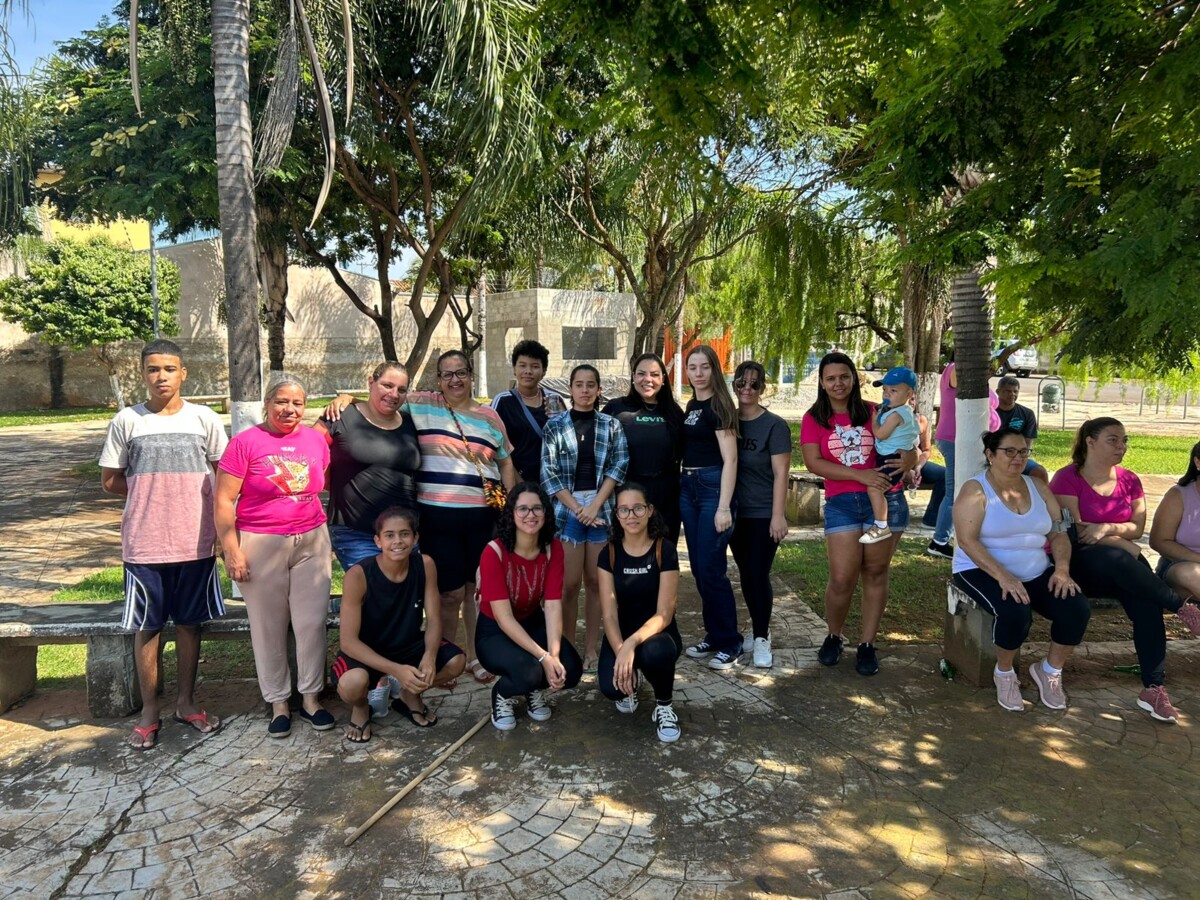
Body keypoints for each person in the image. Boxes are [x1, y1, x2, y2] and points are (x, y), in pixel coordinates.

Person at [98, 339, 228, 750]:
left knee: (190, 624)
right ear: (143, 374)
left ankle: (186, 703)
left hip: (196, 542)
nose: (161, 376)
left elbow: (224, 475)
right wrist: (149, 493)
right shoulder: (127, 421)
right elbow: (110, 480)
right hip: (145, 544)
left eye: (169, 369)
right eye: (153, 369)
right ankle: (150, 710)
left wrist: (219, 529)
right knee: (148, 626)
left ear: (183, 373)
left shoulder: (204, 419)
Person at [1053, 420, 1200, 723]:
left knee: (1147, 606)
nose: (1122, 447)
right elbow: (1077, 532)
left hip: (1126, 566)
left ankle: (1154, 688)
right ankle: (1180, 606)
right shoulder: (1068, 478)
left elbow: (1137, 528)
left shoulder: (1130, 480)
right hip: (1084, 565)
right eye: (1113, 440)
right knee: (1118, 559)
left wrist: (1107, 529)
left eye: (1125, 440)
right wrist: (1122, 542)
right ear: (1090, 441)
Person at [215, 375, 335, 738]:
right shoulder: (245, 443)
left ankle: (311, 699)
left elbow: (318, 484)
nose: (289, 410)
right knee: (268, 626)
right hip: (260, 542)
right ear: (267, 404)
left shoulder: (315, 440)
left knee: (311, 623)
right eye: (281, 402)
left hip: (311, 540)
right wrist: (231, 550)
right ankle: (279, 703)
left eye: (298, 403)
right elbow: (223, 500)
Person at [392, 351, 517, 685]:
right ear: (438, 379)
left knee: (477, 590)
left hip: (482, 518)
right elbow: (384, 403)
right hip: (436, 518)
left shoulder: (490, 417)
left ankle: (476, 655)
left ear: (471, 375)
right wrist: (347, 401)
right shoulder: (420, 404)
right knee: (448, 593)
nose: (455, 380)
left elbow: (505, 461)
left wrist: (511, 508)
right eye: (447, 374)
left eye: (461, 372)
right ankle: (447, 657)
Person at [953, 427, 1090, 712]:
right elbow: (967, 540)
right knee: (1015, 612)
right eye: (1009, 451)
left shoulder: (1038, 486)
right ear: (990, 455)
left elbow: (1058, 532)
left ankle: (1050, 670)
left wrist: (1061, 569)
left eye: (1024, 452)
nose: (1018, 457)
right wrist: (1004, 576)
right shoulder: (975, 490)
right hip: (980, 568)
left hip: (1035, 568)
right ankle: (1004, 673)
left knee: (1075, 608)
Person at [800, 351, 914, 676]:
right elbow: (813, 463)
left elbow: (911, 441)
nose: (838, 383)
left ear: (854, 378)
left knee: (875, 573)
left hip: (887, 501)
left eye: (844, 376)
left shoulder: (876, 411)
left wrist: (911, 457)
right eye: (831, 378)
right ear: (822, 382)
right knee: (841, 578)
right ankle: (834, 636)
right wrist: (859, 475)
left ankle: (867, 644)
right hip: (843, 504)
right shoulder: (814, 418)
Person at [332, 507, 466, 742]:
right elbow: (348, 642)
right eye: (389, 535)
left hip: (407, 644)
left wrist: (429, 657)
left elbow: (434, 619)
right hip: (367, 651)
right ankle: (361, 707)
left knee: (456, 662)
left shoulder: (425, 564)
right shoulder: (358, 575)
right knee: (353, 685)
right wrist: (396, 670)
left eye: (404, 534)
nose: (397, 541)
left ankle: (409, 694)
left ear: (415, 538)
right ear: (378, 541)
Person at [540, 364, 629, 670]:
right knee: (568, 585)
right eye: (579, 384)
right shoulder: (555, 426)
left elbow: (619, 466)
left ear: (599, 389)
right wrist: (579, 509)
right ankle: (567, 647)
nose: (585, 390)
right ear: (570, 389)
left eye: (591, 384)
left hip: (601, 509)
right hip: (567, 511)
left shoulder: (611, 425)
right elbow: (548, 473)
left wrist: (594, 506)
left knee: (595, 582)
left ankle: (591, 647)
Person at [475, 483, 584, 731]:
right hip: (495, 630)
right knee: (530, 672)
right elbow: (504, 618)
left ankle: (533, 688)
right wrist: (543, 658)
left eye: (537, 508)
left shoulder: (553, 547)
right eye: (522, 509)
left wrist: (553, 655)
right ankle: (503, 693)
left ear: (545, 513)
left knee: (570, 669)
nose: (530, 515)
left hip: (533, 621)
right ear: (511, 513)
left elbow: (553, 605)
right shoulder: (494, 552)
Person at [597, 484, 683, 742]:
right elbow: (609, 614)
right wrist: (621, 650)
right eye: (624, 510)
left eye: (637, 508)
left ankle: (664, 706)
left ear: (649, 510)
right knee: (611, 689)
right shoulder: (608, 553)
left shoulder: (664, 550)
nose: (631, 515)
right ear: (617, 515)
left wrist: (631, 645)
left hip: (657, 635)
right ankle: (632, 676)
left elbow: (664, 614)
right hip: (620, 634)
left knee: (655, 653)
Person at [316, 361, 420, 572]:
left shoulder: (411, 422)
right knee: (372, 589)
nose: (394, 394)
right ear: (371, 382)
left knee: (405, 591)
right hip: (355, 532)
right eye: (387, 385)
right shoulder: (340, 416)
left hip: (403, 532)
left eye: (401, 390)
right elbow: (304, 450)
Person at [679, 345, 742, 670]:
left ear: (714, 369)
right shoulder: (692, 405)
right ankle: (714, 634)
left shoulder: (719, 405)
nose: (698, 373)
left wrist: (723, 507)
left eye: (704, 366)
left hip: (712, 489)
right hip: (688, 487)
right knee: (699, 568)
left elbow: (731, 459)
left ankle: (731, 641)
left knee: (712, 569)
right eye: (693, 367)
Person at [729, 360, 791, 668]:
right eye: (742, 383)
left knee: (757, 573)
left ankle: (762, 636)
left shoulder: (774, 426)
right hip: (735, 513)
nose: (747, 389)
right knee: (746, 574)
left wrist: (778, 515)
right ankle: (757, 628)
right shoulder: (728, 421)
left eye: (754, 384)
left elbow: (781, 474)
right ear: (734, 385)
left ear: (763, 388)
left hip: (763, 513)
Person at [602, 353, 684, 542]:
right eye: (641, 374)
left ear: (663, 379)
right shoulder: (616, 409)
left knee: (663, 553)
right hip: (627, 498)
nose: (648, 379)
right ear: (633, 377)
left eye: (654, 374)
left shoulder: (674, 413)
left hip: (666, 499)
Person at [491, 339, 568, 483]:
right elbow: (495, 445)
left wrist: (565, 419)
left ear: (543, 371)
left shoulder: (554, 400)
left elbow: (567, 442)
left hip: (554, 482)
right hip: (516, 482)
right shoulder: (503, 401)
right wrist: (520, 485)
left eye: (535, 366)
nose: (528, 371)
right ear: (514, 369)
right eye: (522, 365)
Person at [862, 366, 920, 544]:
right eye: (885, 389)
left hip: (890, 459)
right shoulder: (905, 412)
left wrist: (874, 420)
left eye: (893, 390)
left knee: (874, 488)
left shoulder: (895, 415)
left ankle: (881, 525)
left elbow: (880, 434)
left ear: (909, 393)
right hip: (893, 456)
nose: (887, 394)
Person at [1149, 438, 1200, 618]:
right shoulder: (1179, 495)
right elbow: (1159, 541)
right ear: (1198, 462)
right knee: (1189, 573)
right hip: (1179, 567)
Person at [928, 358, 957, 558]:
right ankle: (939, 541)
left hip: (960, 439)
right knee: (953, 492)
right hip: (953, 438)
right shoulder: (955, 369)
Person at [906, 393, 947, 533]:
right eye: (907, 399)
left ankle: (931, 520)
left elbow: (926, 450)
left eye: (912, 399)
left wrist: (918, 466)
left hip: (916, 463)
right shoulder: (888, 419)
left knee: (945, 475)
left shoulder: (921, 420)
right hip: (895, 464)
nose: (910, 402)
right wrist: (906, 470)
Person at [996, 375, 1049, 482]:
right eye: (1008, 391)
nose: (1012, 394)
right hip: (994, 457)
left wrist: (1019, 458)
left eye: (1015, 391)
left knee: (1040, 472)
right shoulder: (990, 413)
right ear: (998, 392)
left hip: (1017, 456)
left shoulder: (1027, 414)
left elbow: (1027, 443)